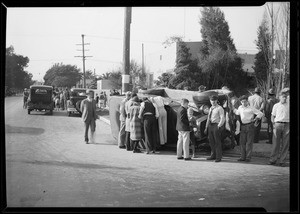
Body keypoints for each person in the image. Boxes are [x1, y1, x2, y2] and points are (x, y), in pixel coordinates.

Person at [233, 95, 263, 162]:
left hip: (250, 125)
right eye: (242, 102)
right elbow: (237, 112)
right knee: (242, 142)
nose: (244, 103)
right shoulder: (240, 107)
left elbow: (260, 113)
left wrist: (256, 118)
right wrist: (232, 108)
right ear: (241, 102)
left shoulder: (251, 108)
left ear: (247, 101)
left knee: (249, 142)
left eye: (245, 101)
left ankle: (248, 157)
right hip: (243, 126)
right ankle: (242, 156)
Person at [268, 90, 289, 167]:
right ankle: (273, 160)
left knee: (285, 144)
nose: (285, 98)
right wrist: (273, 124)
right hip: (277, 124)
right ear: (279, 97)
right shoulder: (276, 105)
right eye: (283, 97)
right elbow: (272, 116)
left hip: (287, 125)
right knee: (276, 143)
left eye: (286, 97)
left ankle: (282, 161)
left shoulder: (289, 104)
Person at [204, 95, 225, 162]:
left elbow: (222, 118)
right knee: (211, 141)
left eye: (214, 100)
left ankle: (218, 157)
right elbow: (208, 118)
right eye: (212, 100)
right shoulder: (211, 108)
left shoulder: (219, 108)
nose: (213, 101)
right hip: (210, 125)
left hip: (216, 125)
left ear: (216, 100)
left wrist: (219, 126)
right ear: (210, 101)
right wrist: (206, 127)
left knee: (217, 142)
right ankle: (213, 155)